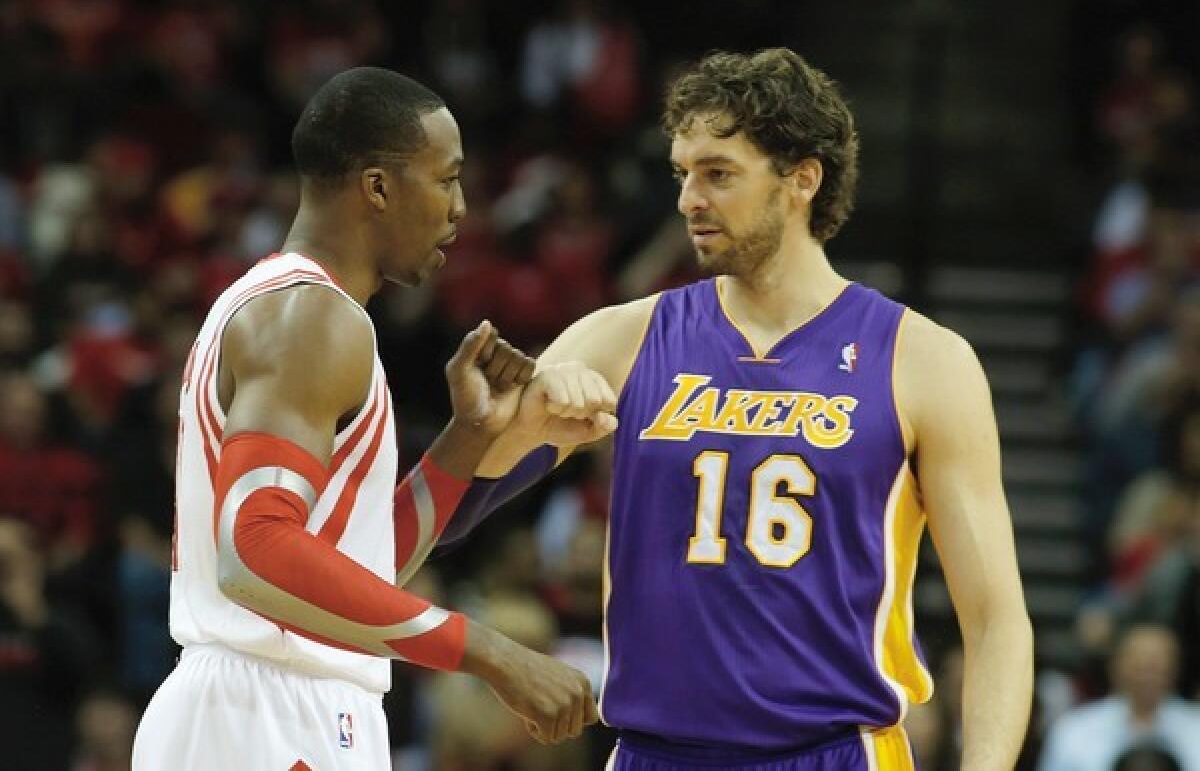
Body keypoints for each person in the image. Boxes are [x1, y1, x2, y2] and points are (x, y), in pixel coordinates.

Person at [455, 48, 1034, 769]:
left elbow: (995, 618)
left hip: (834, 751)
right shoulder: (618, 338)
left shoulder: (925, 360)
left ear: (802, 179)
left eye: (718, 173)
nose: (688, 199)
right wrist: (497, 433)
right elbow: (446, 520)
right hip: (653, 752)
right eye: (683, 173)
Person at [132, 67, 614, 770]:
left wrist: (467, 438)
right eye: (446, 179)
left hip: (287, 705)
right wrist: (492, 653)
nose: (461, 207)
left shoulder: (310, 312)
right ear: (378, 187)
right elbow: (256, 549)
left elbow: (355, 566)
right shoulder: (312, 316)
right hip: (265, 713)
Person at [1038, 625, 1200, 771]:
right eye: (1139, 665)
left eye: (1156, 665)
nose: (1147, 675)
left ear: (1176, 668)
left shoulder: (1195, 727)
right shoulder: (1074, 729)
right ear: (1115, 665)